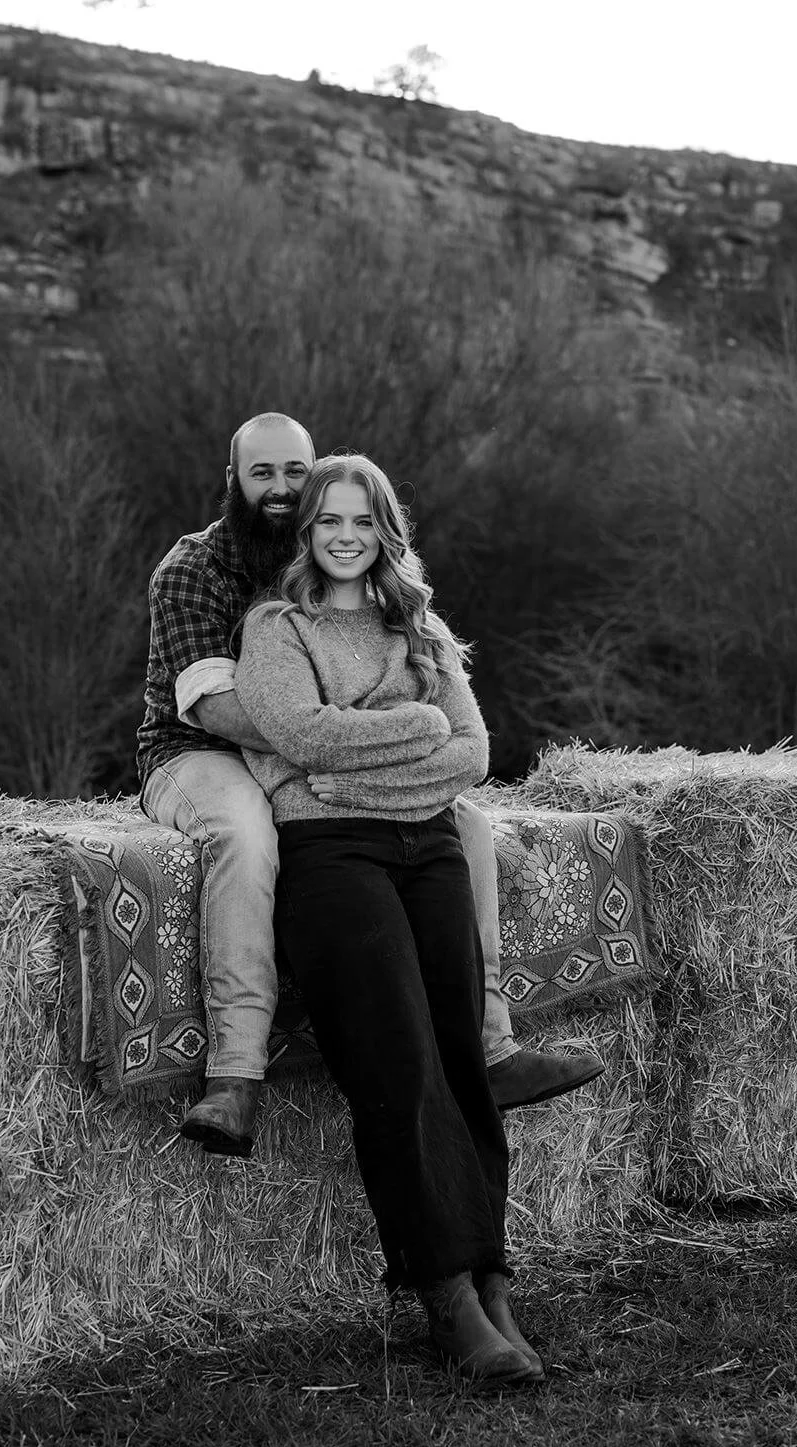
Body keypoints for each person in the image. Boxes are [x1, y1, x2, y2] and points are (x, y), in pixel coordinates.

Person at [136, 411, 603, 1157]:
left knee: (468, 826)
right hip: (198, 753)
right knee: (246, 833)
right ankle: (234, 1074)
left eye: (297, 472)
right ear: (233, 482)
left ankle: (493, 1046)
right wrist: (352, 733)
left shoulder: (334, 544)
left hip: (328, 753)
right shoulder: (193, 571)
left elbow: (430, 709)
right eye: (263, 473)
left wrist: (345, 738)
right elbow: (225, 710)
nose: (282, 489)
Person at [232, 451, 540, 1387]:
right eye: (329, 520)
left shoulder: (424, 628)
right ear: (307, 532)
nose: (345, 536)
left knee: (458, 1053)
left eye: (362, 521)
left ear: (384, 530)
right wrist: (414, 731)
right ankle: (444, 1295)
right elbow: (296, 735)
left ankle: (493, 1281)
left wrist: (357, 753)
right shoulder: (275, 628)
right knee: (397, 1059)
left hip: (430, 848)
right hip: (333, 856)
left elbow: (473, 756)